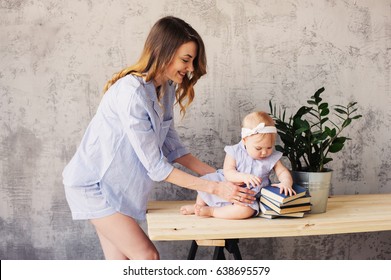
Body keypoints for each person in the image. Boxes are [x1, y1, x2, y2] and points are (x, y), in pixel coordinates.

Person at [62, 16, 256, 260]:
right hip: (94, 186)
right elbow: (156, 167)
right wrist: (215, 188)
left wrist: (221, 176)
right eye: (186, 60)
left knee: (120, 265)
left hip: (117, 190)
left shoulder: (166, 88)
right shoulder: (131, 93)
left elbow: (173, 147)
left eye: (193, 61)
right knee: (148, 258)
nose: (191, 69)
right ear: (163, 51)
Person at [180, 111, 295, 219]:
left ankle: (212, 211)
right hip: (226, 185)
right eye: (258, 148)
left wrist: (286, 182)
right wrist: (243, 177)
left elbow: (282, 172)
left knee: (246, 211)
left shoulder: (272, 157)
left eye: (269, 147)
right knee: (206, 183)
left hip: (248, 195)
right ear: (245, 140)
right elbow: (228, 172)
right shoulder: (234, 152)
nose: (264, 152)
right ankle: (198, 207)